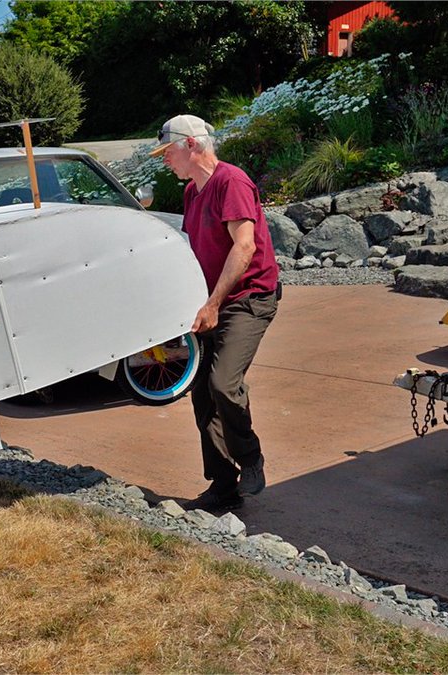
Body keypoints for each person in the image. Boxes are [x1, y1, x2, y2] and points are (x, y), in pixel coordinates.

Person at [149, 114, 281, 512]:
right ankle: (223, 486)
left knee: (224, 383)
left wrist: (212, 304)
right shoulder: (193, 192)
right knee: (202, 394)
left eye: (167, 152)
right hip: (212, 301)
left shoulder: (232, 182)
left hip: (249, 298)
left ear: (191, 145)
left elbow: (244, 248)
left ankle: (251, 458)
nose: (164, 160)